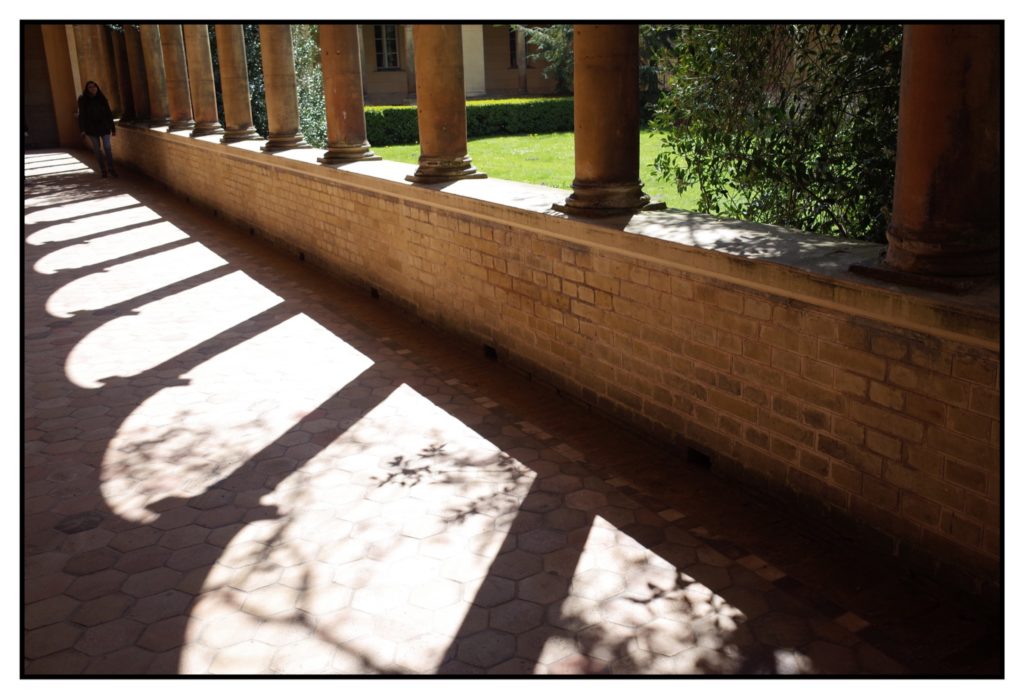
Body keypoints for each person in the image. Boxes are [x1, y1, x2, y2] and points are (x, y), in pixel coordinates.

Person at [78, 80, 117, 178]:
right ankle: (103, 170)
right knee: (97, 150)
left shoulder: (102, 98)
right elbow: (82, 115)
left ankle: (111, 168)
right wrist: (82, 129)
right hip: (91, 128)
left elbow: (108, 113)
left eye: (94, 86)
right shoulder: (83, 100)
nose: (93, 88)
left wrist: (113, 128)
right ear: (87, 89)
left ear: (97, 87)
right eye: (90, 87)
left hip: (104, 126)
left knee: (107, 147)